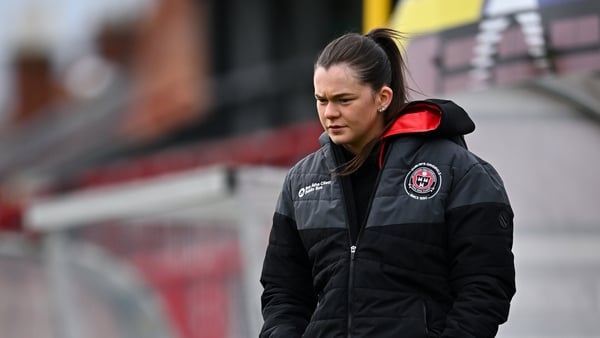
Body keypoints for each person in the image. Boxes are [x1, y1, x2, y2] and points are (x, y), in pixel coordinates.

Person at [259, 27, 515, 338]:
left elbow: (485, 287)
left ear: (382, 97)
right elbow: (282, 292)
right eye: (321, 99)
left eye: (344, 99)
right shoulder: (299, 183)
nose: (330, 113)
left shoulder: (459, 172)